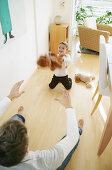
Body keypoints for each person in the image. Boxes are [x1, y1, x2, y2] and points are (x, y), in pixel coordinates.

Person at [0, 87, 84, 170]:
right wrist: (68, 106)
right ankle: (79, 129)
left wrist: (10, 96)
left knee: (13, 125)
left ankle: (20, 116)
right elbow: (72, 137)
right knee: (71, 143)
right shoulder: (41, 162)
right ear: (27, 151)